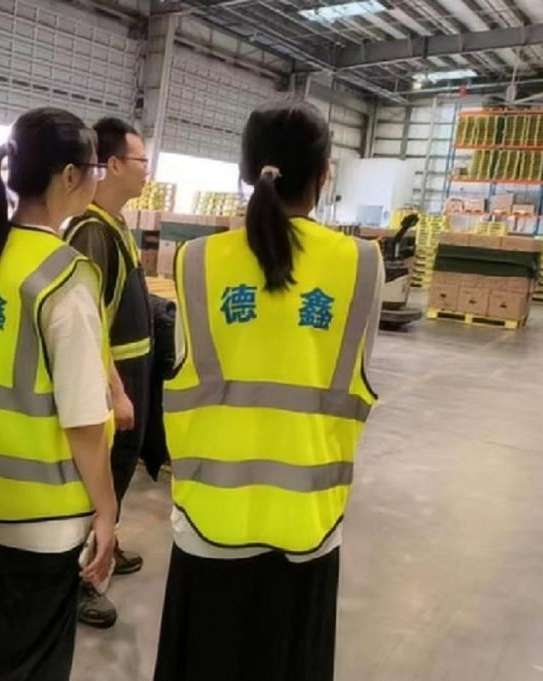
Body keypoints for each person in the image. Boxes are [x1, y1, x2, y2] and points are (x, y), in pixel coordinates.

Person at [153, 99, 384, 681]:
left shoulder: (196, 261)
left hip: (209, 525)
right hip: (308, 528)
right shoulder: (362, 265)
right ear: (324, 173)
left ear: (247, 170)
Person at [0, 107, 118, 681]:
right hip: (42, 515)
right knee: (30, 660)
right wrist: (108, 509)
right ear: (69, 176)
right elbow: (84, 419)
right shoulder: (64, 277)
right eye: (94, 169)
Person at [64, 117, 152, 628]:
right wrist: (115, 390)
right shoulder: (90, 232)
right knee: (96, 479)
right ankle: (80, 580)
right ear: (114, 164)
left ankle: (105, 543)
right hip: (110, 378)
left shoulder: (116, 225)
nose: (147, 170)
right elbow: (89, 324)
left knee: (118, 474)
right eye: (141, 160)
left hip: (132, 370)